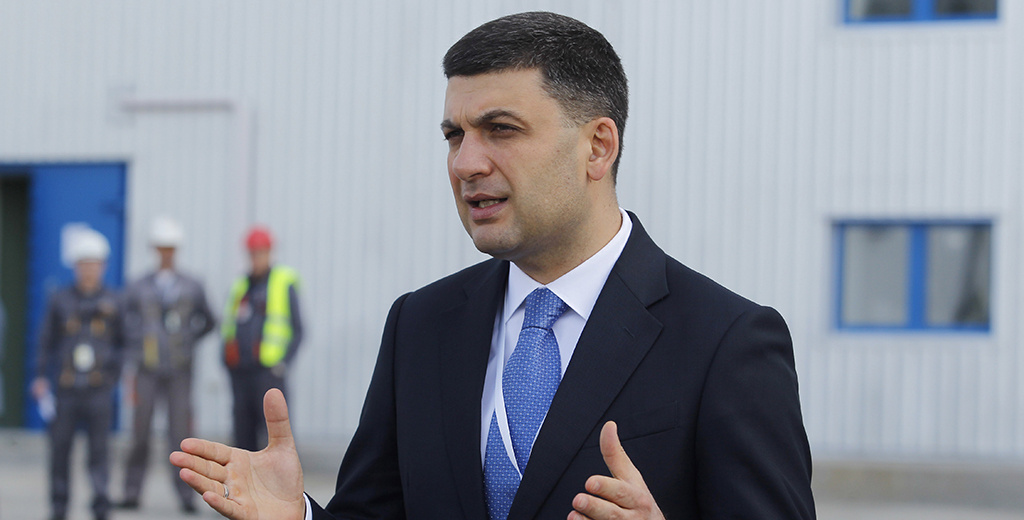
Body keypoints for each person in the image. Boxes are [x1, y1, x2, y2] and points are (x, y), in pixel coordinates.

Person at [172, 11, 815, 520]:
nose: (465, 163)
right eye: (454, 135)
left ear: (598, 146)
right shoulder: (420, 324)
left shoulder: (726, 341)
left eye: (500, 129)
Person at [117, 216, 215, 514]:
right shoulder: (138, 286)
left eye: (170, 248)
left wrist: (187, 341)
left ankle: (186, 496)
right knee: (140, 432)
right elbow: (123, 320)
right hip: (147, 371)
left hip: (179, 372)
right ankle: (132, 492)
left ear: (177, 250)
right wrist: (138, 344)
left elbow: (209, 320)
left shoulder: (192, 286)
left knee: (180, 435)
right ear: (154, 250)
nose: (166, 253)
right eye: (162, 248)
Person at [32, 228, 124, 520]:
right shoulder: (60, 300)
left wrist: (114, 375)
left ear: (103, 266)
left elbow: (125, 342)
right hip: (66, 389)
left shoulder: (114, 301)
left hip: (98, 389)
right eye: (83, 264)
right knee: (60, 450)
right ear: (75, 266)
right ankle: (59, 506)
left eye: (94, 264)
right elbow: (45, 339)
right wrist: (40, 375)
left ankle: (101, 504)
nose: (88, 270)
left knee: (99, 451)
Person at [221, 226, 303, 452]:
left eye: (261, 252)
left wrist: (283, 363)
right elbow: (229, 326)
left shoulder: (282, 283)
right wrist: (227, 362)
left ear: (269, 252)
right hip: (241, 373)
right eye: (253, 253)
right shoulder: (241, 286)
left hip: (268, 374)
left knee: (273, 434)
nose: (256, 258)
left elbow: (299, 329)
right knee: (242, 434)